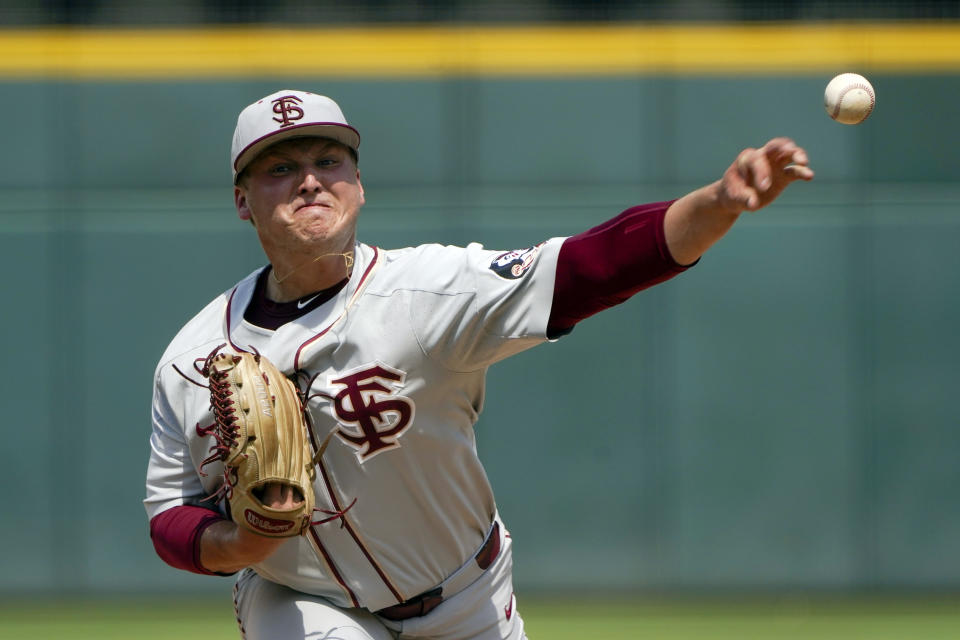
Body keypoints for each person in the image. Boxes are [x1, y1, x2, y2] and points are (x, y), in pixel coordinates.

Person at [144, 89, 814, 640]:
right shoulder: (190, 360)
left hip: (466, 598)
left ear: (358, 186)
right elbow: (170, 514)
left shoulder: (427, 292)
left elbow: (591, 267)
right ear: (242, 200)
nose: (311, 179)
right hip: (303, 604)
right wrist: (236, 545)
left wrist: (717, 204)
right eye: (280, 169)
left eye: (329, 160)